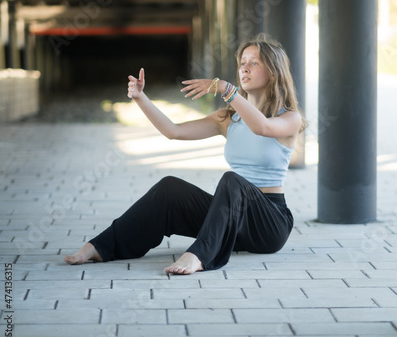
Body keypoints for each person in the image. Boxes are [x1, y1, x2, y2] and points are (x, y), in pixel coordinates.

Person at [64, 34, 306, 274]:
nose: (245, 68)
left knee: (232, 181)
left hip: (269, 223)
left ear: (273, 72)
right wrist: (140, 98)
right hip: (230, 221)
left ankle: (198, 256)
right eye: (242, 62)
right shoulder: (228, 118)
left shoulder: (289, 118)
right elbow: (174, 131)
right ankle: (101, 247)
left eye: (254, 63)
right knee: (169, 188)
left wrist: (225, 89)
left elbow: (262, 127)